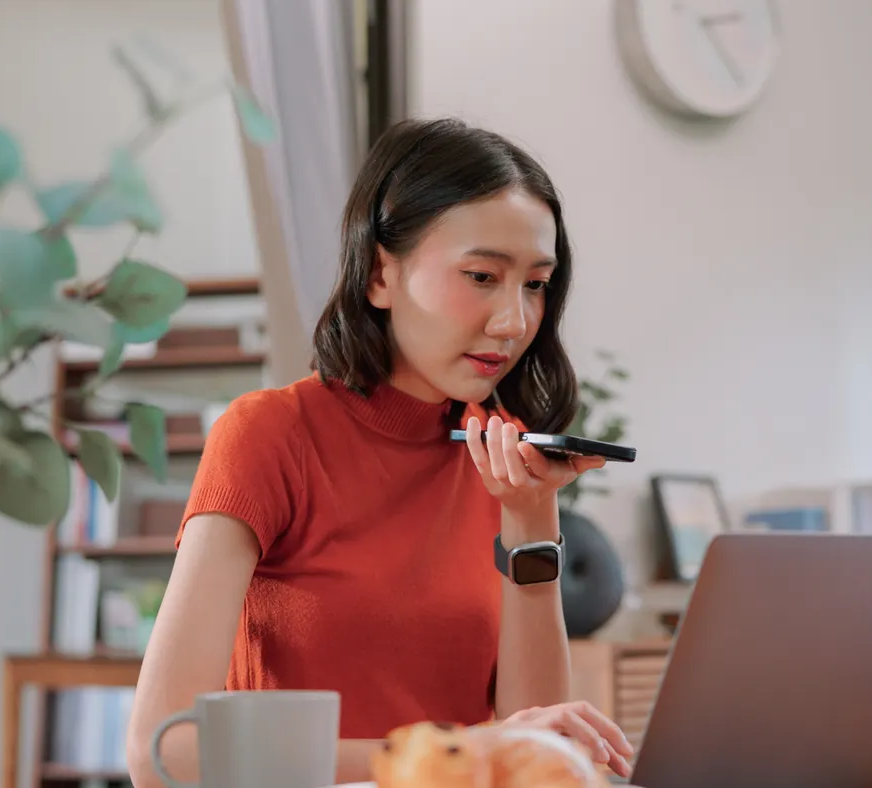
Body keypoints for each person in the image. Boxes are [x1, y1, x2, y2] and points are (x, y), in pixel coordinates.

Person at [126, 116, 634, 787]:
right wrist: (453, 754)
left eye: (535, 284)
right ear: (378, 276)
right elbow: (165, 755)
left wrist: (531, 515)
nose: (514, 320)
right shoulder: (268, 436)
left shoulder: (500, 454)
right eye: (482, 276)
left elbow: (530, 742)